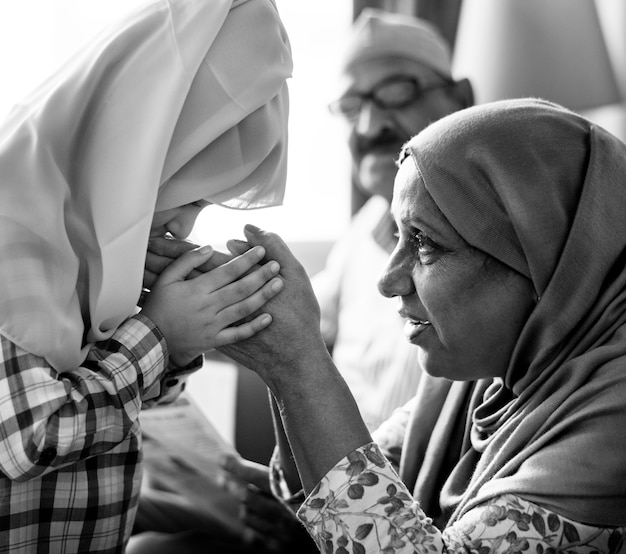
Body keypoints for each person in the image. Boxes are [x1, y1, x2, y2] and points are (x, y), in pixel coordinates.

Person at [218, 98, 626, 552]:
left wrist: (298, 365)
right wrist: (279, 348)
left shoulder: (612, 424)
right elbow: (360, 491)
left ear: (547, 260)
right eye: (397, 236)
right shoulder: (482, 382)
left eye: (425, 243)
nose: (388, 281)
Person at [0, 0, 292, 552]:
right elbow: (32, 437)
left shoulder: (82, 237)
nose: (184, 224)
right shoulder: (13, 233)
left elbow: (112, 405)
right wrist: (159, 336)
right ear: (137, 156)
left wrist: (176, 346)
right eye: (185, 195)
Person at [315, 8, 473, 432]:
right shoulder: (360, 231)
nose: (370, 125)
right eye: (352, 106)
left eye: (397, 91)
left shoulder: (489, 236)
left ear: (461, 98)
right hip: (332, 480)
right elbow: (305, 318)